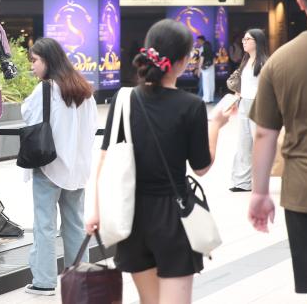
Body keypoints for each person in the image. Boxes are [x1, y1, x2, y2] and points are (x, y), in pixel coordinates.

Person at [85, 20, 230, 304]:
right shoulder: (191, 106)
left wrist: (95, 211)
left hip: (132, 218)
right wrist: (216, 124)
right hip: (174, 219)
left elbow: (104, 158)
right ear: (184, 60)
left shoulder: (124, 99)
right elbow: (201, 167)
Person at [248, 0, 307, 303]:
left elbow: (265, 134)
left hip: (305, 192)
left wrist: (259, 192)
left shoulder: (279, 62)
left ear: (300, 0)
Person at [21, 38, 98, 296]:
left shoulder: (46, 90)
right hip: (76, 168)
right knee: (75, 223)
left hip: (49, 165)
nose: (32, 67)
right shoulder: (83, 90)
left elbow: (28, 115)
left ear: (48, 61)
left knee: (44, 223)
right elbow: (92, 127)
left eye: (35, 61)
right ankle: (80, 280)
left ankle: (44, 281)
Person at [229, 28, 268, 192]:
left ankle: (260, 182)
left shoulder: (265, 63)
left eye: (247, 39)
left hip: (258, 104)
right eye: (243, 39)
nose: (244, 42)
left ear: (257, 42)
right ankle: (242, 182)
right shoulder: (245, 62)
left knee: (258, 145)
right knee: (243, 143)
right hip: (244, 103)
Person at [198, 37, 216, 103]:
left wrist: (199, 70)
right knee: (211, 83)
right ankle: (211, 98)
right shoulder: (212, 52)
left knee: (206, 84)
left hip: (205, 69)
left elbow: (201, 61)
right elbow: (214, 62)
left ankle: (206, 98)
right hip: (211, 68)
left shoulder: (203, 52)